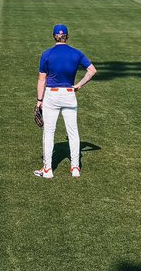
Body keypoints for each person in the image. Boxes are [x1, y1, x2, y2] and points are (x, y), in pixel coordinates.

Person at [34, 23, 96, 180]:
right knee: (73, 132)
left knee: (49, 132)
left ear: (54, 36)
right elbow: (92, 70)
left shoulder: (47, 54)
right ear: (67, 36)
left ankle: (47, 170)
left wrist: (39, 101)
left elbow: (42, 80)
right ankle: (75, 167)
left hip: (51, 96)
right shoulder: (76, 53)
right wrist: (79, 85)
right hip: (69, 94)